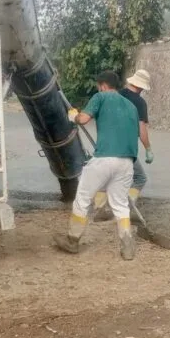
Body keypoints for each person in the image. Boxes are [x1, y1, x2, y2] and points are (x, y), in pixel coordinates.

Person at [54, 71, 141, 260]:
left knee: (83, 198)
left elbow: (84, 119)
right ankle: (127, 246)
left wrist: (74, 116)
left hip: (104, 159)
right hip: (127, 161)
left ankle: (72, 241)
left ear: (102, 85)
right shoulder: (131, 106)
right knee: (120, 204)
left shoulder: (100, 97)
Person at [92, 69, 153, 221]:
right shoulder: (139, 103)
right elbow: (141, 129)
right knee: (139, 178)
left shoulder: (116, 95)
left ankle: (99, 208)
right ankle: (124, 207)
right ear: (141, 87)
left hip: (106, 146)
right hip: (125, 149)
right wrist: (148, 149)